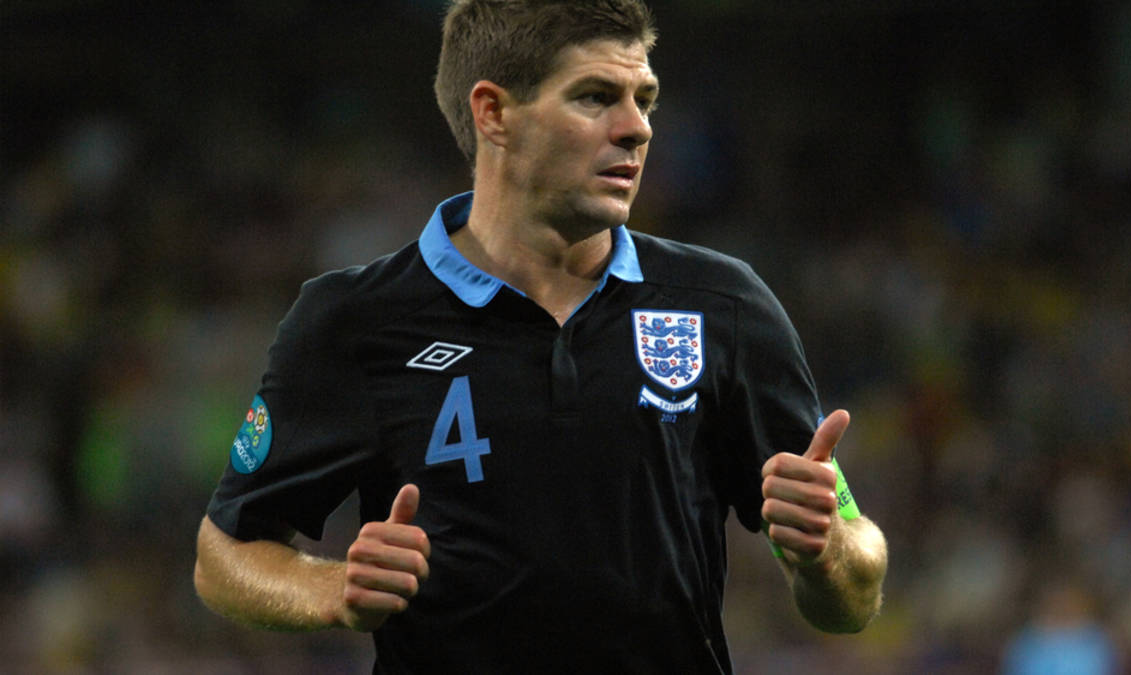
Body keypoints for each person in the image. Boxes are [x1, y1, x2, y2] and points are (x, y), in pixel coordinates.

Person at [193, 1, 887, 672]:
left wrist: (828, 550)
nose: (637, 129)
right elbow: (224, 555)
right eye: (595, 97)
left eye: (644, 99)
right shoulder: (357, 317)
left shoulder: (723, 305)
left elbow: (851, 597)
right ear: (493, 112)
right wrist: (333, 590)